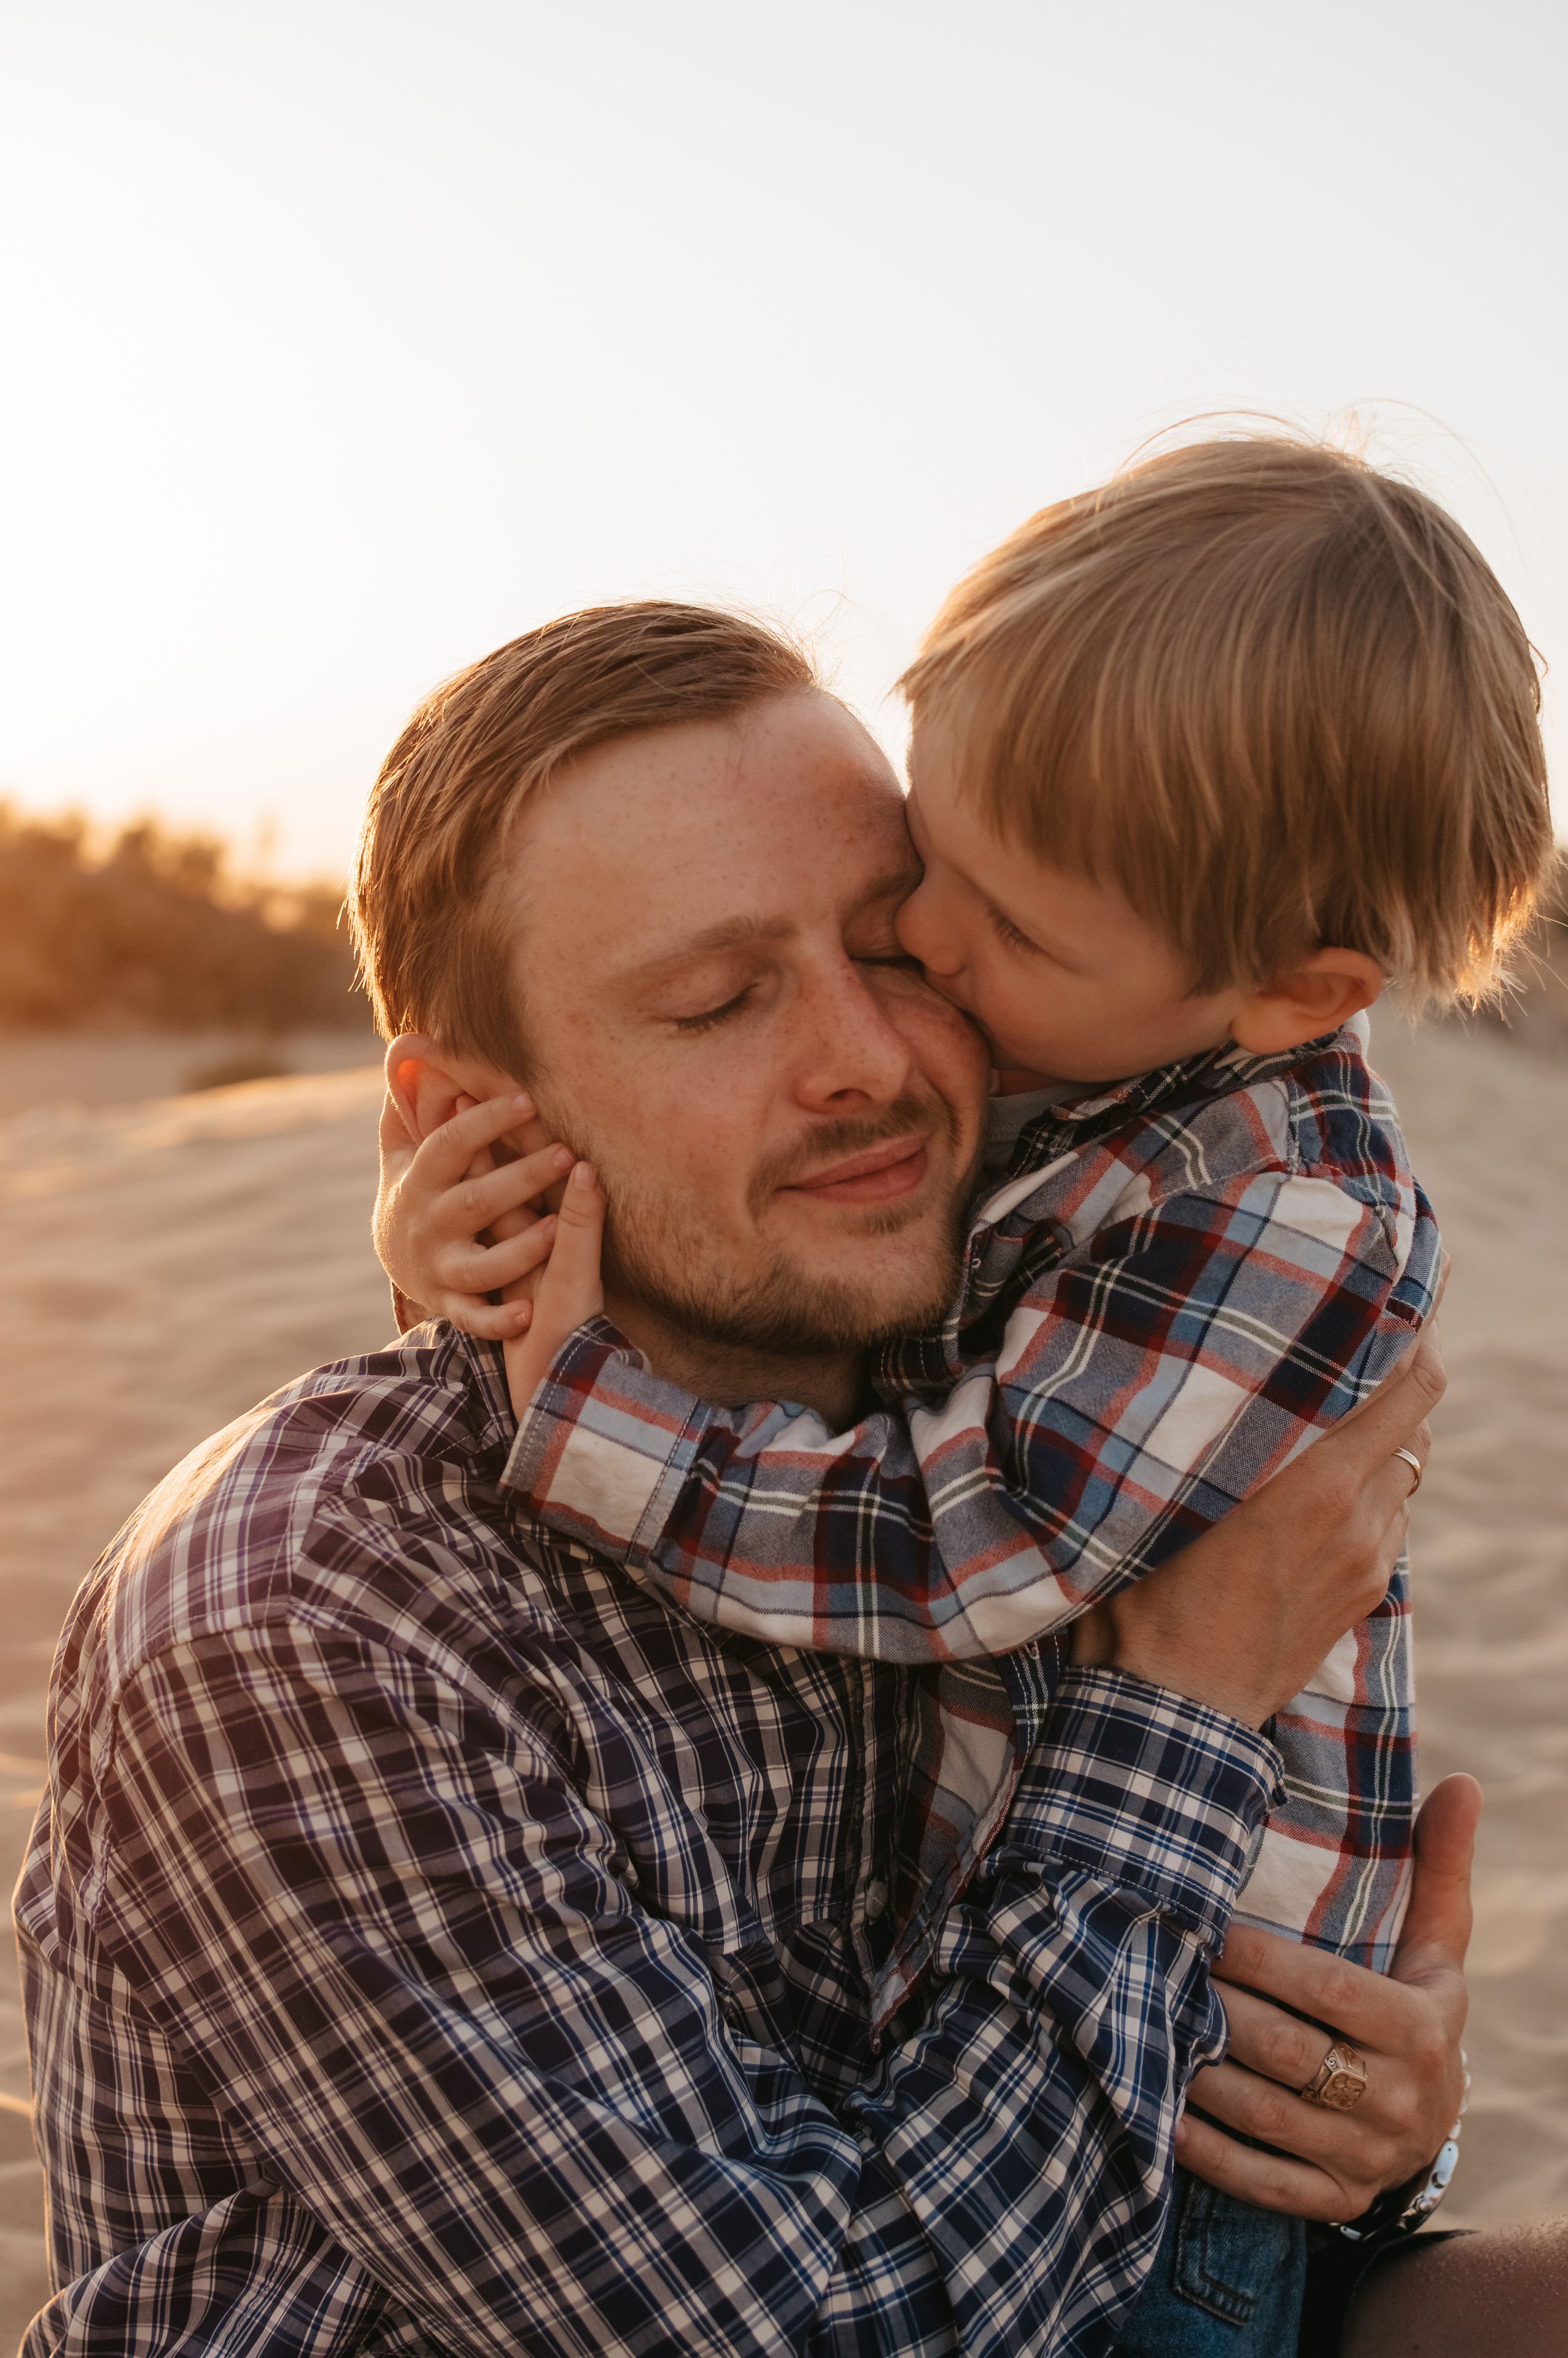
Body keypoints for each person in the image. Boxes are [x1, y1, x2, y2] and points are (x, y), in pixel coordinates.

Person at [20, 602, 1462, 2358]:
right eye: (715, 1001)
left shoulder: (1013, 1378)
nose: (870, 1056)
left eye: (912, 948)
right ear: (466, 1116)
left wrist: (1338, 2110)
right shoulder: (312, 1623)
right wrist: (1176, 1720)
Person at [378, 445, 1553, 2344]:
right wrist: (465, 1244)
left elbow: (950, 1534)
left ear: (1289, 990)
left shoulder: (1279, 1211)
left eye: (963, 933)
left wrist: (584, 1418)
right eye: (927, 864)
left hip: (1182, 2114)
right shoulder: (1121, 1034)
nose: (922, 972)